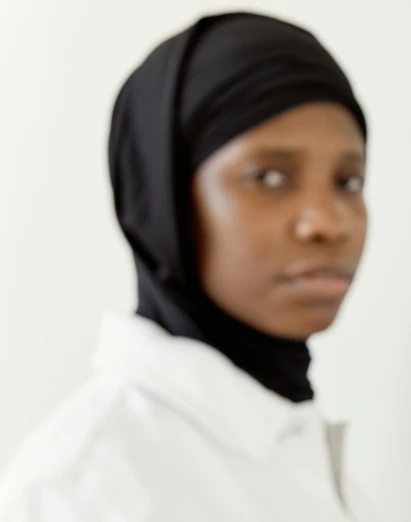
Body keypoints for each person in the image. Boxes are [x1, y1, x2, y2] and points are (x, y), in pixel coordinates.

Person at [0, 12, 369, 522]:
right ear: (165, 201)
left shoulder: (295, 440)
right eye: (269, 177)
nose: (329, 222)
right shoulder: (83, 491)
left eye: (348, 181)